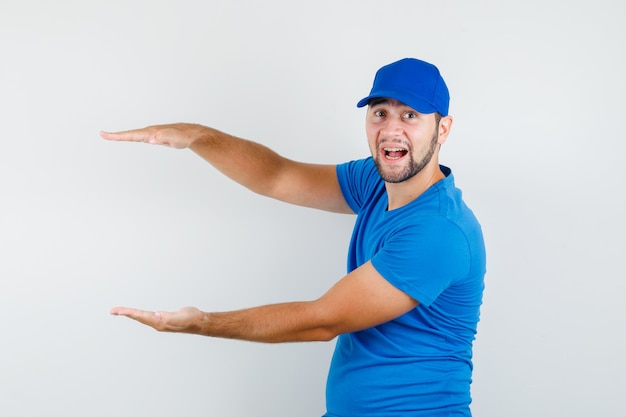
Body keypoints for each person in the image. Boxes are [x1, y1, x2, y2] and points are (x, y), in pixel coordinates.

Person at [101, 57, 486, 417]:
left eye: (410, 115)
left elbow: (321, 320)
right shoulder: (375, 180)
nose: (390, 129)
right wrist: (199, 137)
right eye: (380, 113)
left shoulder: (439, 232)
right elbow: (278, 176)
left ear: (443, 129)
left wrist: (202, 323)